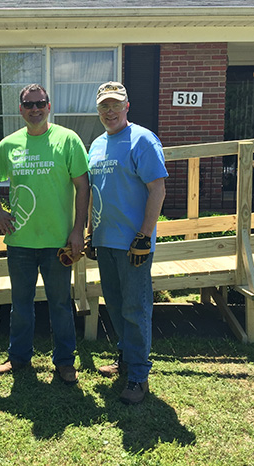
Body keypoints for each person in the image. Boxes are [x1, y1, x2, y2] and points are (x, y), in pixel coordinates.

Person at [0, 84, 90, 385]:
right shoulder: (9, 145)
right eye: (28, 104)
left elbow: (83, 187)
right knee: (21, 304)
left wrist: (77, 230)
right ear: (21, 109)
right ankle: (18, 357)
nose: (35, 109)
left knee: (59, 304)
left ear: (49, 106)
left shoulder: (68, 141)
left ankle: (65, 362)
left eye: (40, 103)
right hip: (21, 242)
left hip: (58, 242)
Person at [87, 81, 167, 405]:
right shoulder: (95, 145)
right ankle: (125, 359)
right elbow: (95, 193)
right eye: (104, 105)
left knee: (136, 308)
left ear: (127, 106)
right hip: (106, 240)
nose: (109, 111)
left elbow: (157, 190)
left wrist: (145, 236)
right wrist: (92, 232)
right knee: (117, 306)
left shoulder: (142, 140)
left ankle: (138, 376)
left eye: (115, 104)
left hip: (134, 243)